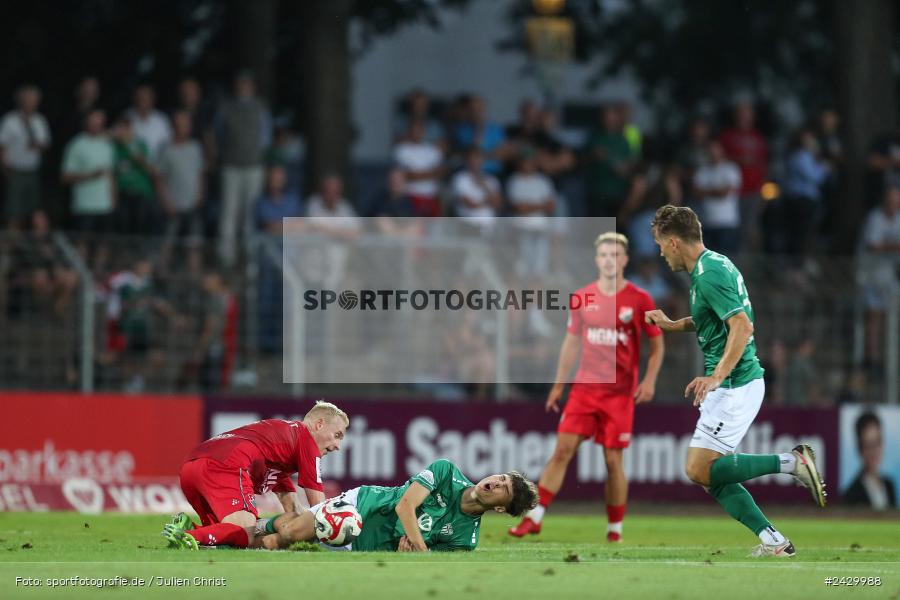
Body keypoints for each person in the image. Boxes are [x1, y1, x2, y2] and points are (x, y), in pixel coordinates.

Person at [644, 205, 826, 557]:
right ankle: (774, 542)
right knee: (711, 475)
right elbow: (710, 318)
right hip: (730, 385)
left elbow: (742, 325)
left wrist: (716, 376)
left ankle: (792, 463)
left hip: (735, 385)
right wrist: (671, 325)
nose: (660, 253)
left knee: (699, 469)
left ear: (674, 242)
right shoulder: (713, 265)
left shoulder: (709, 273)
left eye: (660, 245)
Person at [509, 232, 665, 543]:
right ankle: (535, 518)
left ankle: (614, 530)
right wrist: (558, 385)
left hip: (619, 395)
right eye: (604, 255)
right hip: (584, 390)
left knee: (612, 461)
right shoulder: (583, 297)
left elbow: (657, 344)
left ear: (624, 260)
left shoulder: (639, 299)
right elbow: (571, 342)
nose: (609, 260)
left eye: (615, 255)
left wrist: (649, 380)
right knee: (562, 451)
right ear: (597, 260)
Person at [162, 401, 350, 550]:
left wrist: (297, 531)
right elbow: (320, 508)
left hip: (192, 466)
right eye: (337, 435)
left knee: (228, 539)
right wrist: (335, 537)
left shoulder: (283, 444)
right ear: (319, 425)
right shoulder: (306, 441)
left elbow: (291, 506)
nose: (337, 446)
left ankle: (190, 529)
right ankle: (188, 535)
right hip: (226, 464)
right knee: (244, 531)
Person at [250, 459, 538, 552]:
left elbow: (422, 558)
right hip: (360, 506)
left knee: (290, 531)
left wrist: (411, 554)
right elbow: (405, 507)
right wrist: (421, 551)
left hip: (367, 546)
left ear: (501, 508)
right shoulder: (446, 471)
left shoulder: (466, 540)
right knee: (287, 536)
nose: (496, 483)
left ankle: (242, 534)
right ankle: (239, 536)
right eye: (500, 477)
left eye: (504, 489)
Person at [0, 85, 51, 230]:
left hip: (33, 171)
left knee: (37, 212)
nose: (31, 101)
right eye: (28, 98)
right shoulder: (10, 121)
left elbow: (46, 144)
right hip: (15, 171)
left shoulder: (39, 120)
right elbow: (1, 148)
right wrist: (5, 170)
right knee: (14, 213)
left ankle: (37, 249)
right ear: (20, 100)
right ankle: (7, 251)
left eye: (34, 99)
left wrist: (38, 145)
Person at [843, 412, 897, 509]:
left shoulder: (889, 485)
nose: (874, 451)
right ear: (860, 448)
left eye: (877, 443)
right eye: (868, 445)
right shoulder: (852, 493)